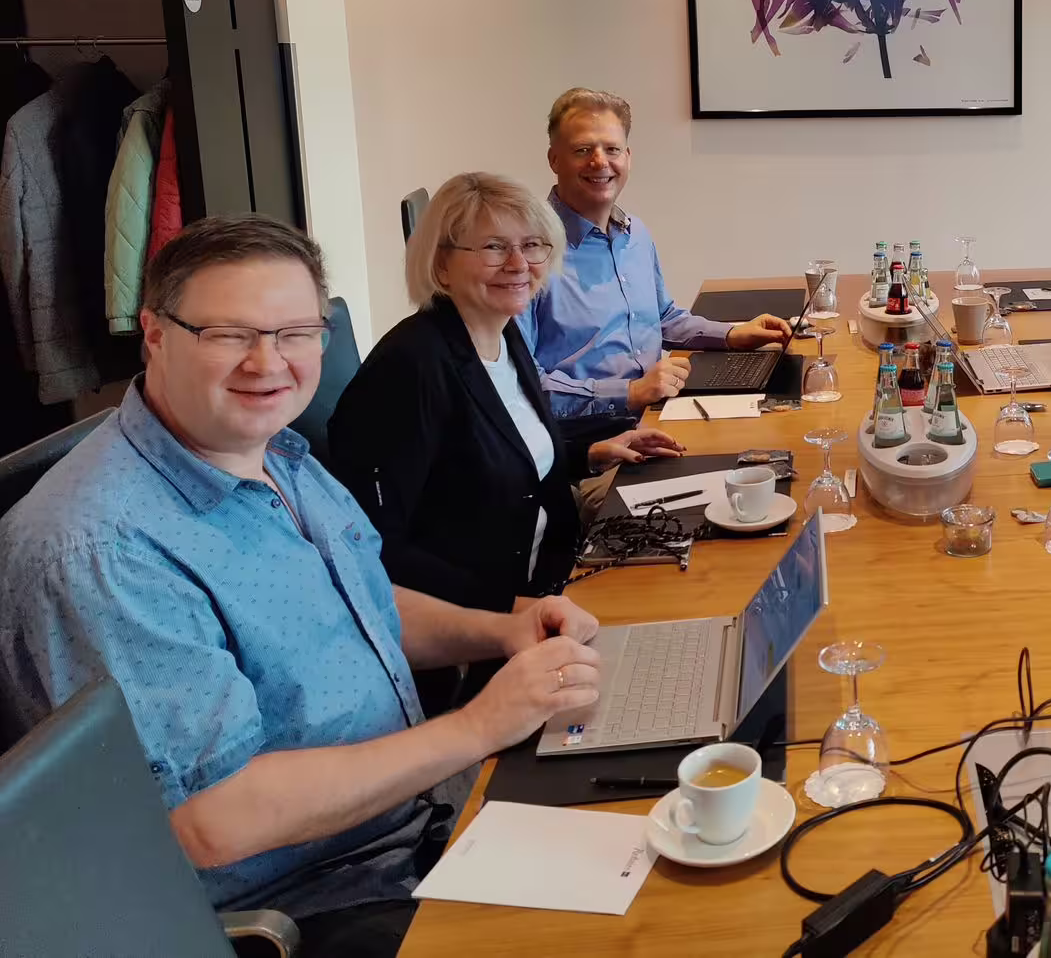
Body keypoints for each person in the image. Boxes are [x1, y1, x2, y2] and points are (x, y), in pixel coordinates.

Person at [0, 216, 605, 957]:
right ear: (155, 334)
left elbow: (358, 607)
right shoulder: (102, 550)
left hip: (417, 817)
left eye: (295, 333)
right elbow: (213, 820)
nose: (268, 362)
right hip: (319, 903)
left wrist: (500, 630)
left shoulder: (274, 450)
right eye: (230, 334)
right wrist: (479, 726)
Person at [328, 174, 681, 640]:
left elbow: (498, 447)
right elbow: (377, 548)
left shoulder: (502, 330)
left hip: (555, 579)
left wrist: (591, 450)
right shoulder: (409, 368)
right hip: (484, 625)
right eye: (494, 247)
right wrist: (515, 611)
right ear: (442, 265)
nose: (519, 264)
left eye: (532, 245)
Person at [523, 87, 790, 422]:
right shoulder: (524, 254)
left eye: (612, 149)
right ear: (554, 159)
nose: (600, 161)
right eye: (582, 150)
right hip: (587, 437)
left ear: (628, 157)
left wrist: (732, 334)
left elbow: (662, 319)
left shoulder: (635, 234)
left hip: (655, 414)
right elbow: (519, 383)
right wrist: (630, 393)